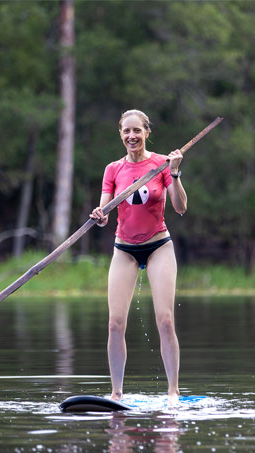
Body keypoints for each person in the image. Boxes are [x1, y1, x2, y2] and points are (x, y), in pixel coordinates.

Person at [90, 109, 186, 404]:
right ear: (120, 134)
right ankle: (116, 392)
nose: (132, 136)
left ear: (147, 132)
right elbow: (105, 211)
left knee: (165, 320)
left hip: (159, 246)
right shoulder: (113, 169)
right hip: (125, 249)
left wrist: (176, 173)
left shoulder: (162, 164)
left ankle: (173, 391)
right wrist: (99, 215)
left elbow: (180, 207)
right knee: (115, 323)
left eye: (137, 131)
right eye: (126, 131)